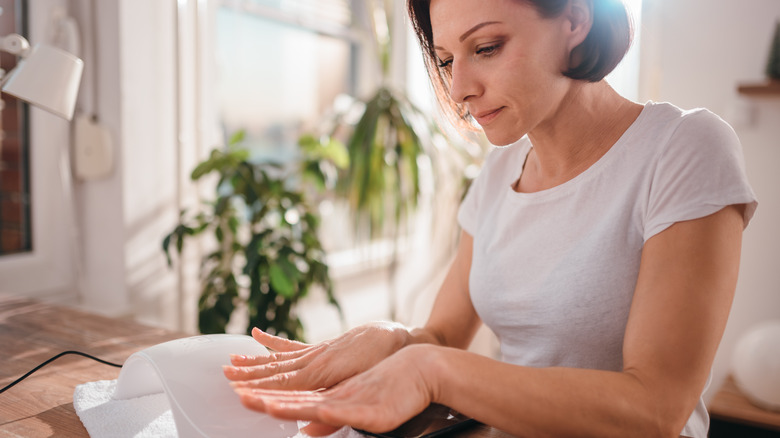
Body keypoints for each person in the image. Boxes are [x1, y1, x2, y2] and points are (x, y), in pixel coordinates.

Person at [223, 0, 758, 436]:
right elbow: (443, 335)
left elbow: (656, 409)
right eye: (448, 59)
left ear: (575, 19)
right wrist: (393, 339)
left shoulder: (683, 148)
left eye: (486, 48)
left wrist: (433, 371)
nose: (457, 89)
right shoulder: (499, 171)